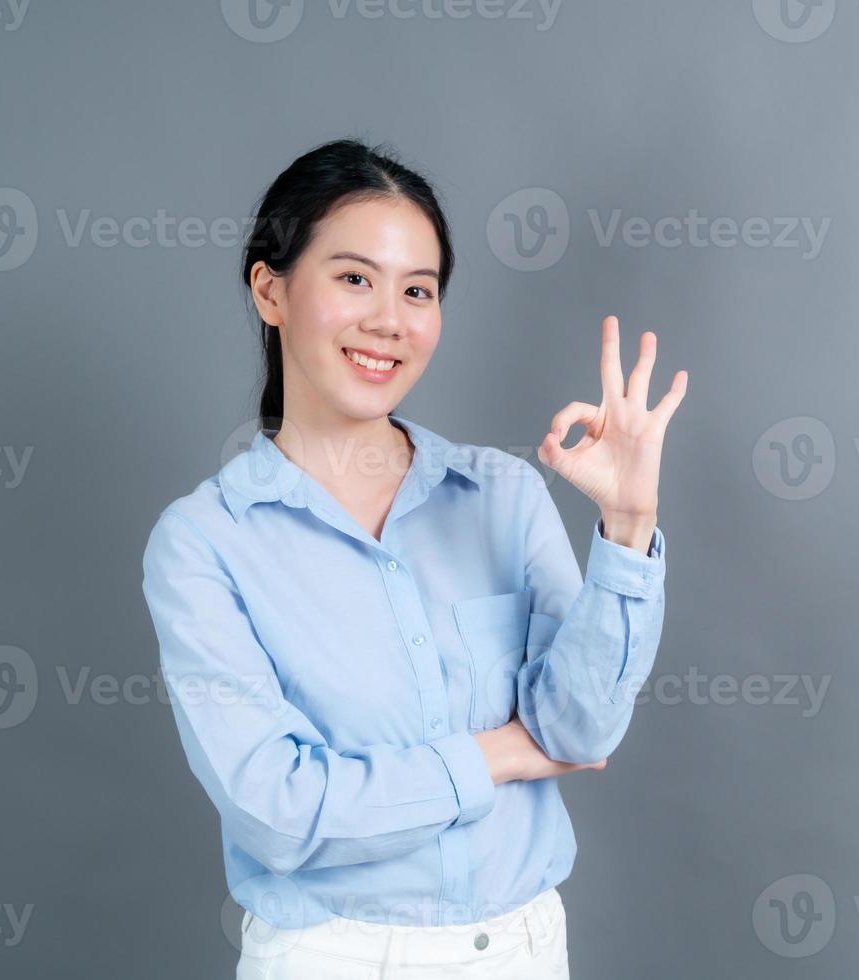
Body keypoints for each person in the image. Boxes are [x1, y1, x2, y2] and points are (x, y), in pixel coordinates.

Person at [139, 138, 688, 978]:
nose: (390, 320)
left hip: (521, 952)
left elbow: (580, 727)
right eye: (354, 278)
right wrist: (499, 753)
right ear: (271, 289)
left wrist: (628, 520)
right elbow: (283, 812)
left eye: (418, 290)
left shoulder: (503, 496)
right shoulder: (207, 542)